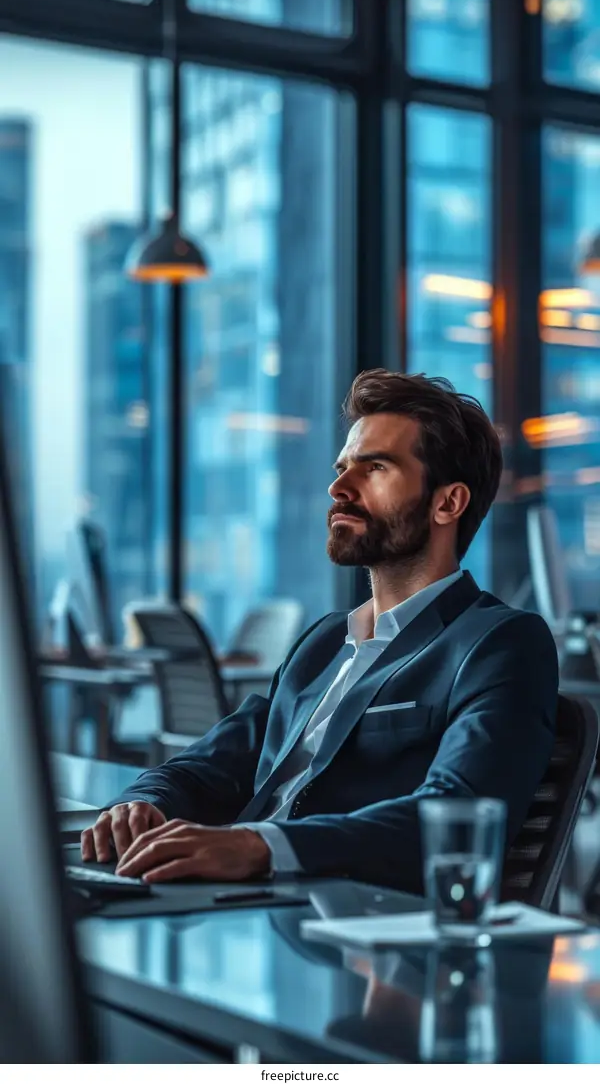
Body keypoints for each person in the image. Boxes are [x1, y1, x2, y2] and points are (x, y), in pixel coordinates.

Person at [81, 370, 558, 892]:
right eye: (341, 468)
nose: (338, 488)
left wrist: (261, 847)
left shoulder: (500, 643)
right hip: (238, 899)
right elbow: (212, 761)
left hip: (339, 923)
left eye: (375, 468)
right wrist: (141, 803)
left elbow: (458, 815)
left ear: (448, 502)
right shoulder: (324, 642)